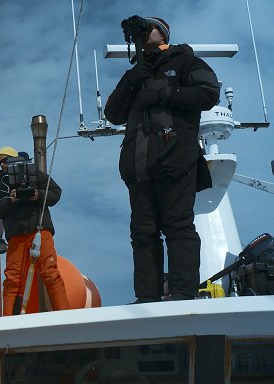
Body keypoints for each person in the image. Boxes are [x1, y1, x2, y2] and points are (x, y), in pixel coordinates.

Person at [104, 17, 219, 303]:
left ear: (163, 33)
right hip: (139, 166)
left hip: (175, 159)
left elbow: (209, 93)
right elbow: (113, 114)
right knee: (142, 234)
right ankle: (147, 299)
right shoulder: (136, 73)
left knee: (178, 225)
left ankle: (182, 294)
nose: (145, 33)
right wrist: (131, 81)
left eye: (149, 28)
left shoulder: (185, 62)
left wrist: (167, 92)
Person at [0, 146, 69, 315]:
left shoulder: (37, 176)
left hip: (39, 229)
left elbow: (55, 193)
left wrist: (37, 195)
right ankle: (8, 321)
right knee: (12, 278)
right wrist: (10, 201)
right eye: (0, 161)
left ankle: (65, 315)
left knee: (50, 272)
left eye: (5, 160)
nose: (3, 164)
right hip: (16, 235)